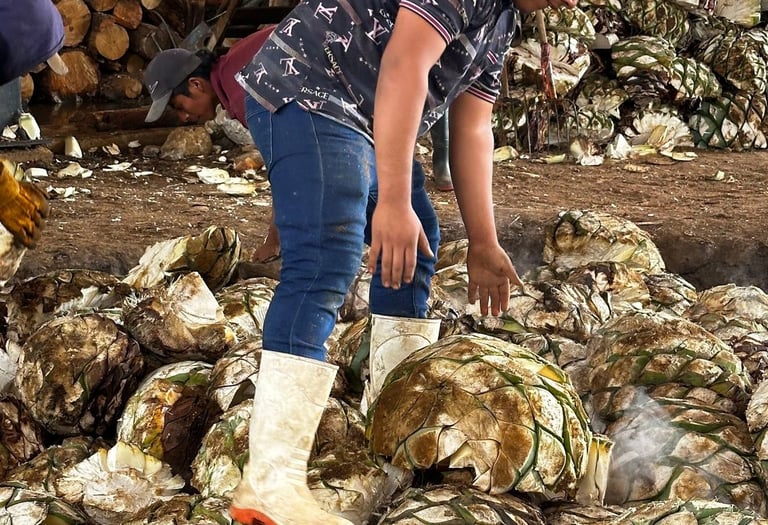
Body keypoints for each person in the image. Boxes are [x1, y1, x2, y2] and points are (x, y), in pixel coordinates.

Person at [144, 0, 576, 523]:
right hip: (312, 89)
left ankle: (393, 427)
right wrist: (390, 200)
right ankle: (269, 484)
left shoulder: (501, 21)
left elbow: (472, 129)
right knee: (325, 259)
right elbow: (405, 65)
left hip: (365, 112)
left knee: (415, 241)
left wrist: (483, 241)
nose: (574, 3)